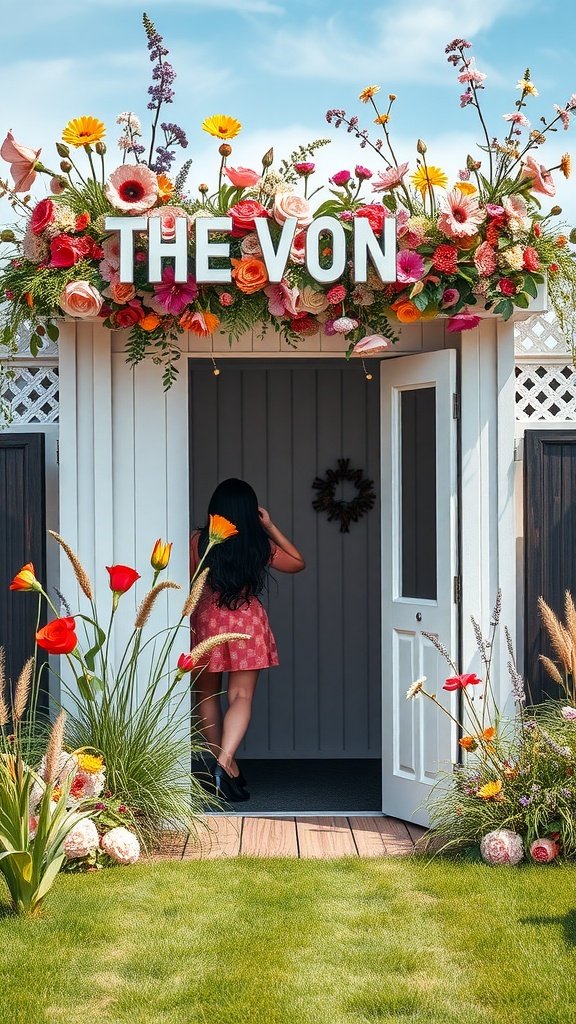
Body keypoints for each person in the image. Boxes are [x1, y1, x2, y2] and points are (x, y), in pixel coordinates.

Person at [190, 478, 305, 802]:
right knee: (241, 696)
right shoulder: (258, 544)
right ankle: (227, 764)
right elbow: (297, 562)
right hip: (247, 623)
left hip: (207, 621)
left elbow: (189, 582)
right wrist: (270, 527)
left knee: (206, 696)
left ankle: (222, 766)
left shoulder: (199, 541)